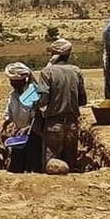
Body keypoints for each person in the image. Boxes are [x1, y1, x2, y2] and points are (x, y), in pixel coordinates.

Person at [33, 38, 87, 171]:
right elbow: (83, 100)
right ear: (68, 54)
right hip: (72, 124)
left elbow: (43, 100)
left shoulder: (47, 72)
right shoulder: (76, 71)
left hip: (54, 124)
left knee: (51, 164)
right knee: (71, 162)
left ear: (54, 55)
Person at [0, 62, 40, 173]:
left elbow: (37, 115)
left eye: (13, 81)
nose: (11, 83)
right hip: (19, 135)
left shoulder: (33, 93)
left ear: (22, 80)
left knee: (32, 162)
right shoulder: (13, 95)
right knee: (16, 164)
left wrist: (28, 127)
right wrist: (5, 124)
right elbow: (9, 113)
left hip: (34, 135)